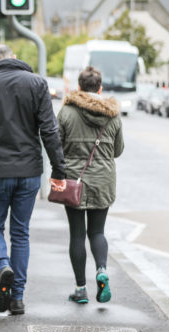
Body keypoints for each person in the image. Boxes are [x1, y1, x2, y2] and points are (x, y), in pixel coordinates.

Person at [0, 44, 66, 315]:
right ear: (14, 58)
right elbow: (49, 128)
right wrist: (59, 170)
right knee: (21, 233)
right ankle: (18, 298)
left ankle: (2, 266)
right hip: (28, 172)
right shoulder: (36, 83)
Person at [56, 66, 124, 304]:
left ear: (79, 87)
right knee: (97, 231)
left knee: (77, 234)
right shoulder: (113, 114)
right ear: (100, 88)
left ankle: (81, 289)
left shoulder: (66, 112)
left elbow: (57, 146)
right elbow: (117, 150)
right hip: (103, 180)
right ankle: (102, 270)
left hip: (75, 179)